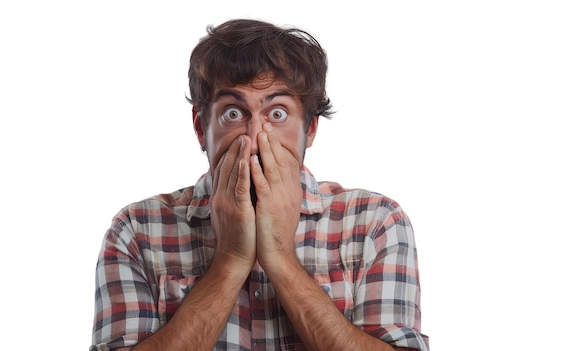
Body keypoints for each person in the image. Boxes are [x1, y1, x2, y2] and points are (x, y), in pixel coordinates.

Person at [90, 19, 429, 351]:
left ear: (309, 129)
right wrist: (230, 259)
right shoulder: (137, 230)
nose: (254, 138)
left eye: (277, 114)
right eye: (233, 114)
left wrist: (280, 258)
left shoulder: (374, 222)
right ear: (200, 128)